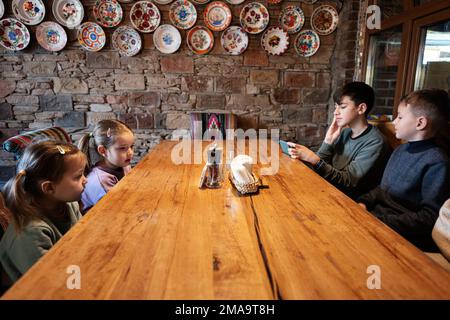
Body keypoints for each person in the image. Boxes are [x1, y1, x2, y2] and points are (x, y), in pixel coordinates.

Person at [358, 89, 450, 251]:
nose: (394, 122)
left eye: (400, 117)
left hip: (402, 235)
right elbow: (382, 189)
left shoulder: (438, 162)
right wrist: (363, 202)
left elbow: (429, 217)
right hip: (377, 220)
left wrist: (378, 220)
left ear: (420, 123)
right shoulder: (401, 150)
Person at [0, 141, 87, 283]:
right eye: (78, 176)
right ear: (49, 188)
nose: (86, 180)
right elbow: (50, 281)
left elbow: (81, 239)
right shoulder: (31, 232)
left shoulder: (69, 205)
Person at [288, 82, 391, 199]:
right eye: (336, 106)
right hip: (328, 190)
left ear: (361, 108)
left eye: (342, 107)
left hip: (349, 201)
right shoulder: (344, 133)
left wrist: (314, 159)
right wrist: (327, 142)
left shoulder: (375, 142)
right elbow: (318, 168)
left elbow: (347, 182)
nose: (335, 112)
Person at [78, 119, 135, 212]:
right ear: (103, 151)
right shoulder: (101, 181)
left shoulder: (124, 165)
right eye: (122, 148)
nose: (130, 153)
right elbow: (116, 210)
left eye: (131, 146)